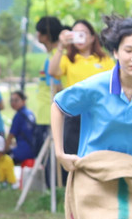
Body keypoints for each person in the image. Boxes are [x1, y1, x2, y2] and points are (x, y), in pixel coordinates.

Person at [53, 17, 132, 173]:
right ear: (116, 52)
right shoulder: (96, 86)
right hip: (94, 172)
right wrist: (60, 153)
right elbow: (58, 106)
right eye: (128, 50)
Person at [49, 19, 114, 159]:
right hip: (74, 114)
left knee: (97, 155)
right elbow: (52, 71)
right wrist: (61, 46)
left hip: (99, 114)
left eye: (83, 33)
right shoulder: (68, 59)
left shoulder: (104, 60)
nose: (79, 37)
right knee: (73, 154)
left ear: (92, 37)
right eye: (75, 33)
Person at [29, 16, 65, 185]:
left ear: (45, 35)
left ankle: (54, 189)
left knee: (52, 154)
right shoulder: (51, 55)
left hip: (49, 112)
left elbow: (59, 87)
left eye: (38, 32)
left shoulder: (56, 56)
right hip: (43, 112)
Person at [8, 91, 38, 165]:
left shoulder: (19, 116)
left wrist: (2, 150)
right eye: (11, 100)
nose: (13, 103)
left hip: (23, 152)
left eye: (16, 100)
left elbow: (10, 136)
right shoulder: (30, 113)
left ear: (24, 101)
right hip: (34, 150)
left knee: (5, 158)